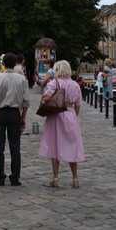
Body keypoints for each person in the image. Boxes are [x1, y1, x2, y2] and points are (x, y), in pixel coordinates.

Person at [38, 60, 85, 189]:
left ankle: (56, 177)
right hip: (70, 114)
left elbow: (46, 98)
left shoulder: (54, 83)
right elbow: (78, 104)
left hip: (56, 115)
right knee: (72, 145)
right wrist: (73, 116)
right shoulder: (75, 85)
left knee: (55, 146)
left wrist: (46, 95)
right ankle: (75, 178)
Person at [0, 52, 30, 187]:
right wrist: (23, 117)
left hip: (0, 113)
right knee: (15, 146)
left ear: (4, 64)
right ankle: (15, 178)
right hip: (14, 114)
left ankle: (0, 177)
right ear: (16, 63)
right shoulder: (22, 79)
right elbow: (26, 101)